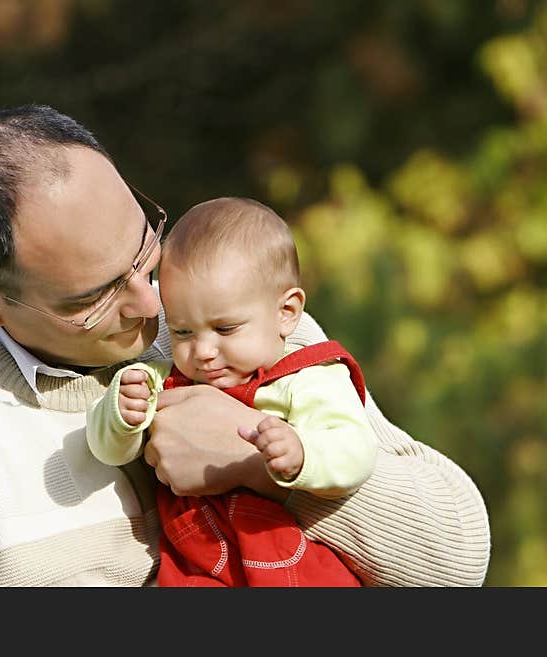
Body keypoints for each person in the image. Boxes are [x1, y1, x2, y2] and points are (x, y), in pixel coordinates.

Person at [0, 104, 490, 586]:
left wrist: (258, 462)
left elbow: (455, 563)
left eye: (145, 250)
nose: (151, 305)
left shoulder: (231, 317)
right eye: (92, 298)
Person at [87, 197, 375, 587]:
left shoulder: (309, 378)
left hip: (293, 562)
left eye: (225, 330)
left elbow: (355, 452)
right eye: (183, 331)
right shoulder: (163, 378)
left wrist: (303, 455)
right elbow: (109, 451)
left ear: (286, 313)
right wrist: (122, 414)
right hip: (198, 564)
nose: (203, 352)